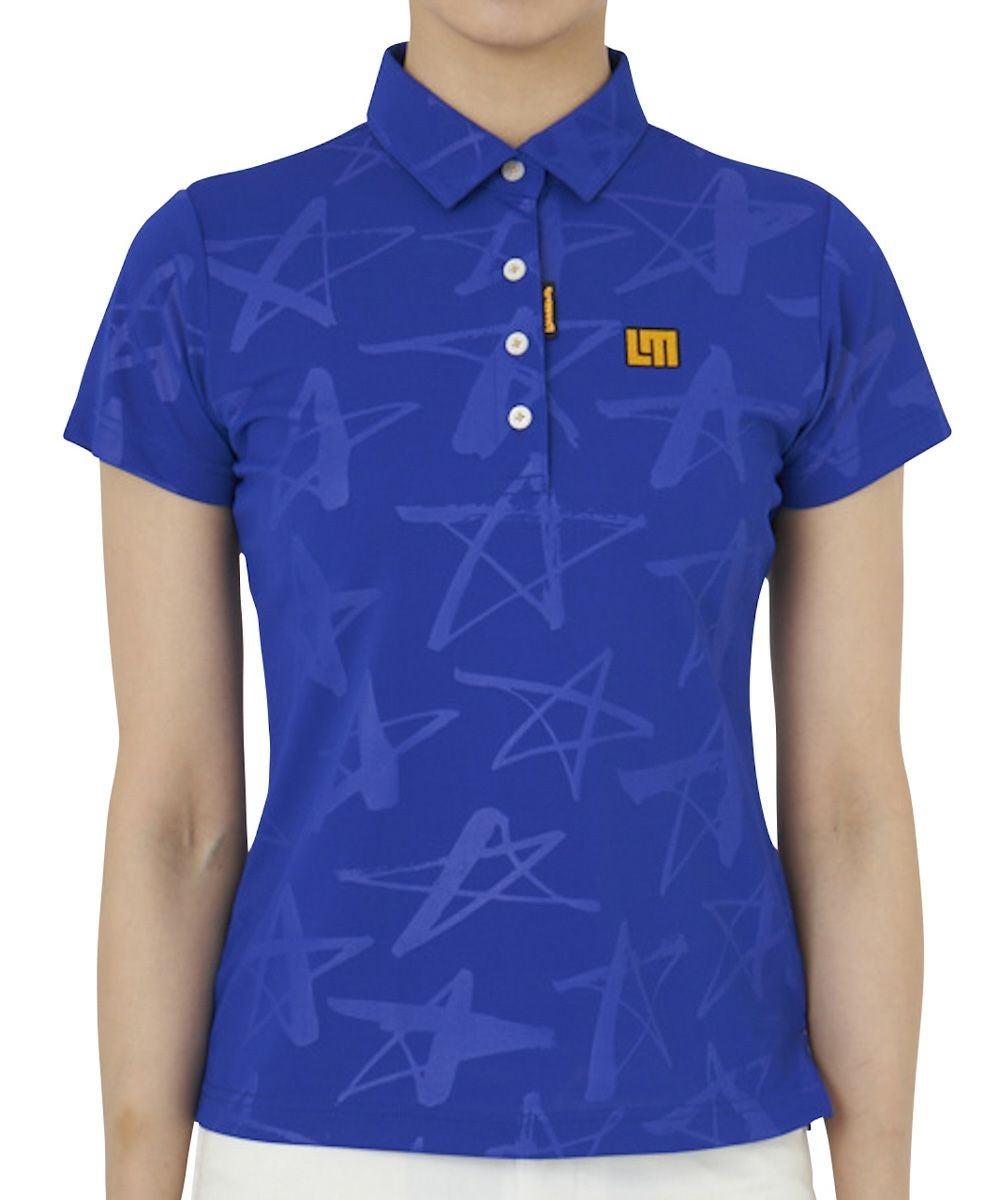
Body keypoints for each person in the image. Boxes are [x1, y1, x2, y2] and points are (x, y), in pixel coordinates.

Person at [61, 2, 952, 1198]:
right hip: (307, 1147)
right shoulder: (212, 263)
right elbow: (176, 816)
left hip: (709, 1138)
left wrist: (880, 1178)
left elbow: (848, 805)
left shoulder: (798, 260)